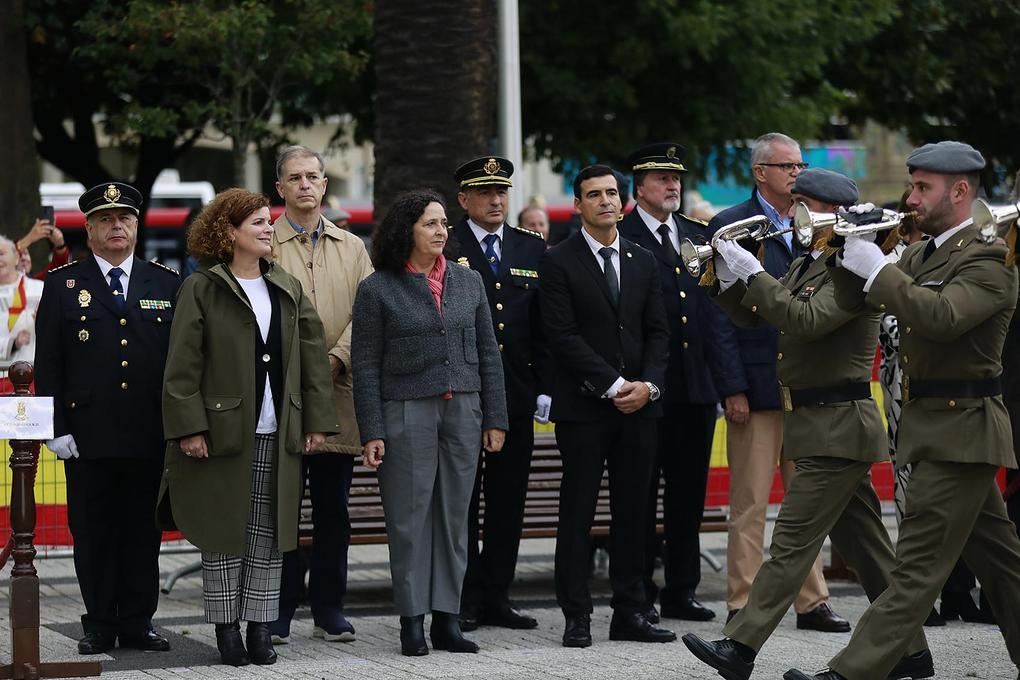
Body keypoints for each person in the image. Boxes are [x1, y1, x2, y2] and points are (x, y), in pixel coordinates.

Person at [682, 168, 933, 680]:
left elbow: (807, 321)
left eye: (802, 204)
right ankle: (910, 651)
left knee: (791, 542)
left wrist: (753, 274)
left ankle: (740, 647)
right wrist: (721, 279)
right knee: (870, 551)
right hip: (820, 425)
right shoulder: (813, 261)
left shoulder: (853, 266)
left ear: (830, 212)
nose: (792, 214)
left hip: (838, 426)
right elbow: (759, 317)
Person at [785, 141, 1020, 680]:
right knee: (1003, 566)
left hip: (964, 430)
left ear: (960, 191)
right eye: (912, 185)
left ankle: (851, 671)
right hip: (936, 429)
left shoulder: (990, 258)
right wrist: (844, 248)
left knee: (915, 567)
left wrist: (877, 267)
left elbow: (939, 316)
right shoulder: (922, 254)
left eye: (923, 187)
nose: (911, 197)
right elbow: (848, 301)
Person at [159, 188, 338, 667]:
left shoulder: (285, 285)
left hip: (277, 432)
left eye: (267, 221)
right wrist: (190, 428)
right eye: (258, 222)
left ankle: (260, 628)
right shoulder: (202, 287)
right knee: (224, 534)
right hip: (220, 435)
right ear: (229, 231)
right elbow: (181, 367)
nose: (267, 229)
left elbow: (313, 359)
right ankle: (226, 631)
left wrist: (316, 420)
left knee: (269, 534)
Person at [351, 189, 508, 657]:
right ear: (407, 231)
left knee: (455, 519)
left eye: (444, 223)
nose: (442, 231)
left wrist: (495, 416)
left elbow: (487, 355)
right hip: (406, 410)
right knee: (409, 520)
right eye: (431, 224)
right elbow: (365, 364)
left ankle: (447, 619)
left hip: (463, 409)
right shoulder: (377, 288)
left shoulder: (468, 281)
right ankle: (412, 621)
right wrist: (373, 429)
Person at [708, 133, 847, 632]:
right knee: (749, 501)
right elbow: (720, 316)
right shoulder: (732, 225)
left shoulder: (819, 223)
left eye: (801, 164)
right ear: (759, 172)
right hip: (758, 386)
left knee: (805, 502)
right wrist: (733, 387)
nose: (797, 173)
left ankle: (811, 602)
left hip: (808, 384)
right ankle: (742, 601)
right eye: (786, 165)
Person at [35, 182, 179, 655]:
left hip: (147, 433)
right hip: (87, 435)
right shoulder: (62, 286)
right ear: (90, 229)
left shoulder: (165, 282)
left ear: (137, 226)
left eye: (126, 219)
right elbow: (48, 363)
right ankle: (98, 623)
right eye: (106, 220)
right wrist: (56, 429)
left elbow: (179, 363)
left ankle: (138, 622)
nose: (117, 226)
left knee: (143, 532)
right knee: (93, 533)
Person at [540, 164, 674, 648]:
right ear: (577, 205)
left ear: (623, 201)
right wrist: (614, 384)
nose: (605, 202)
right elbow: (561, 336)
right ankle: (577, 614)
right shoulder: (558, 261)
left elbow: (660, 332)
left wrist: (649, 387)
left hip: (641, 407)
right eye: (593, 195)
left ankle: (631, 610)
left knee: (635, 513)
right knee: (577, 513)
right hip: (585, 409)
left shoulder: (642, 259)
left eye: (611, 193)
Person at [617, 142, 734, 623]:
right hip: (645, 388)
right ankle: (639, 591)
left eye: (676, 178)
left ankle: (681, 589)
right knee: (640, 494)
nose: (672, 186)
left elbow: (712, 311)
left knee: (688, 494)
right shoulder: (619, 236)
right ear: (639, 186)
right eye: (662, 178)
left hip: (694, 387)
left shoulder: (698, 234)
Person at [268, 145, 374, 645]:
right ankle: (280, 608)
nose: (305, 184)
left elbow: (368, 313)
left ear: (325, 185)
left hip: (338, 395)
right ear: (280, 188)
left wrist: (336, 358)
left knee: (334, 508)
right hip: (282, 397)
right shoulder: (264, 244)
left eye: (313, 176)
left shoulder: (353, 247)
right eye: (295, 177)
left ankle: (330, 607)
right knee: (282, 509)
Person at [449, 156, 548, 632]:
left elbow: (544, 326)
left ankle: (499, 596)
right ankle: (465, 596)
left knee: (509, 500)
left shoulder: (531, 247)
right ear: (464, 199)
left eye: (501, 192)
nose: (495, 200)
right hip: (464, 392)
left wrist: (544, 388)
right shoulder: (447, 244)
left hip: (516, 393)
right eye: (484, 193)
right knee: (463, 500)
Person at [0, 236, 43, 385]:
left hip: (34, 378)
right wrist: (12, 343)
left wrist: (45, 322)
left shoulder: (40, 289)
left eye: (1, 254)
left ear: (16, 258)